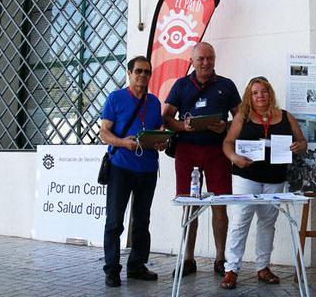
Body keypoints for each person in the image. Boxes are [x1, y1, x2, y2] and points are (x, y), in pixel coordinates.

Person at [161, 42, 241, 276]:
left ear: (215, 59)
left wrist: (224, 127)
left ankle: (220, 258)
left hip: (217, 152)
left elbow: (239, 119)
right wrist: (183, 126)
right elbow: (166, 118)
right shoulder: (181, 85)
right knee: (189, 205)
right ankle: (188, 258)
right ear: (192, 61)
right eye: (201, 59)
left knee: (220, 204)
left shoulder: (226, 85)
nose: (206, 62)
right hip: (187, 151)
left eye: (210, 58)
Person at [220, 76, 307, 290]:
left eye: (264, 91)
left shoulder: (285, 116)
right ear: (249, 96)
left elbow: (302, 142)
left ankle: (263, 266)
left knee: (268, 222)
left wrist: (299, 147)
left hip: (275, 177)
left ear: (270, 93)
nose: (260, 96)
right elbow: (228, 142)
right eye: (255, 92)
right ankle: (231, 269)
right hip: (246, 176)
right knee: (240, 220)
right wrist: (234, 158)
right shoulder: (243, 116)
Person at [98, 56, 167, 288]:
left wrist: (161, 142)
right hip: (121, 167)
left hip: (147, 168)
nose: (143, 76)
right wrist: (121, 142)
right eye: (138, 71)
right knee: (115, 221)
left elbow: (158, 131)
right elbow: (104, 133)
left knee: (142, 220)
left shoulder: (155, 102)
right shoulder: (115, 98)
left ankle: (137, 266)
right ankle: (112, 270)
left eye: (147, 72)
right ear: (129, 73)